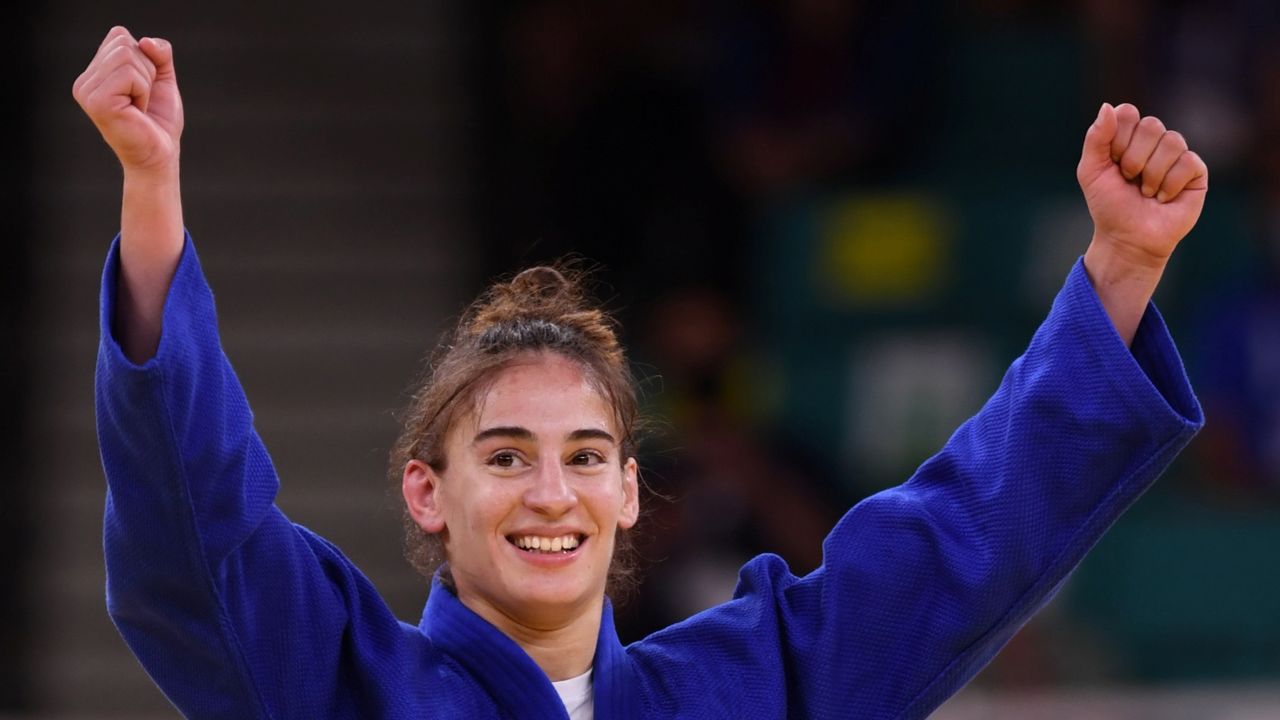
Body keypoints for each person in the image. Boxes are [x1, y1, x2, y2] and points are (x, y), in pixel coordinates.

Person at [75, 26, 1207, 720]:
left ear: (628, 489)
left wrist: (1118, 265)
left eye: (584, 456)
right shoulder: (338, 685)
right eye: (504, 456)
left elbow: (962, 542)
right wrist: (151, 184)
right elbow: (193, 530)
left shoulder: (747, 690)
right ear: (426, 490)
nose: (550, 493)